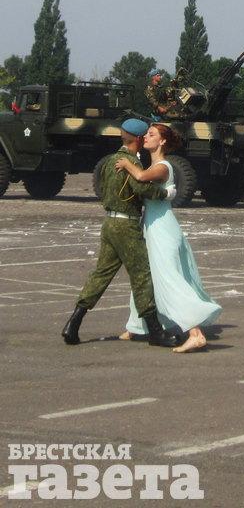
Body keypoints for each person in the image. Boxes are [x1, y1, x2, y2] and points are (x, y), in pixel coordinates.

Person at [61, 119, 178, 347]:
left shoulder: (109, 161)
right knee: (142, 276)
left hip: (110, 222)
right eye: (144, 136)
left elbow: (102, 188)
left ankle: (73, 323)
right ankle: (155, 332)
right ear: (138, 139)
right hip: (126, 225)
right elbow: (141, 187)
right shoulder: (131, 162)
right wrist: (166, 194)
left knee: (101, 274)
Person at [115, 124, 222, 353]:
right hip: (152, 226)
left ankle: (196, 333)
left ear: (162, 141)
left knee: (168, 279)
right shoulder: (153, 164)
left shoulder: (163, 166)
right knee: (146, 277)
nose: (146, 137)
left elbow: (141, 177)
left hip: (163, 229)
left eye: (151, 134)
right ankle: (136, 326)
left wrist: (126, 163)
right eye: (146, 133)